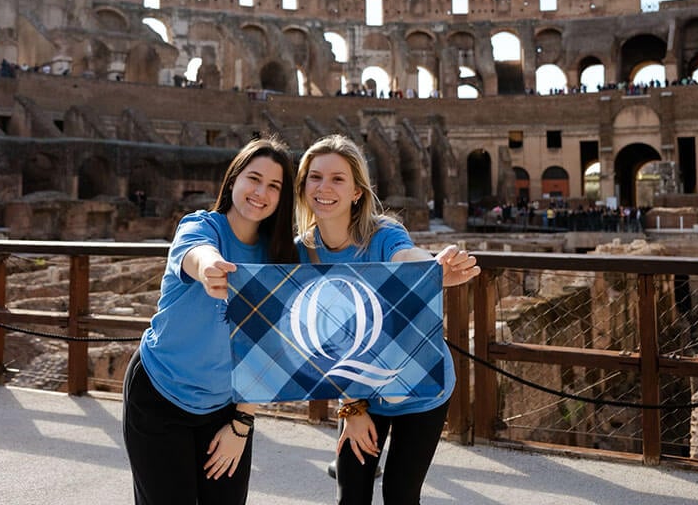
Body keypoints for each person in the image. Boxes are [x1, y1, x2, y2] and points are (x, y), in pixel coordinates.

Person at [295, 134, 479, 505]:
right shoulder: (301, 253)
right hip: (360, 388)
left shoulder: (383, 234)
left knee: (401, 494)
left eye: (337, 179)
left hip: (420, 386)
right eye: (315, 177)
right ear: (302, 187)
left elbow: (404, 257)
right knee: (351, 493)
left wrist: (433, 267)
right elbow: (321, 341)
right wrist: (353, 408)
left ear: (357, 192)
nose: (324, 187)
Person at [123, 136, 297, 505]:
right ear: (234, 178)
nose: (260, 192)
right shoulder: (201, 226)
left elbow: (269, 350)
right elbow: (195, 253)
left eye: (274, 186)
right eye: (254, 178)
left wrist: (241, 423)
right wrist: (209, 268)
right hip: (159, 395)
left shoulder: (280, 257)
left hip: (225, 408)